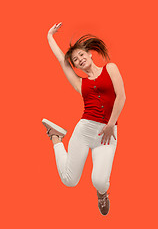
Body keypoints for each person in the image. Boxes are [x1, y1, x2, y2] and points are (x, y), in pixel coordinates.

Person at [42, 22, 126, 216]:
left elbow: (121, 96)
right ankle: (56, 138)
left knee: (99, 181)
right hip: (85, 130)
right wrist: (49, 37)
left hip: (107, 134)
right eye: (75, 59)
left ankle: (102, 194)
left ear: (89, 54)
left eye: (81, 55)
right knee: (69, 180)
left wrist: (111, 125)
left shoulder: (110, 68)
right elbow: (61, 61)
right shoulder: (81, 84)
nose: (79, 59)